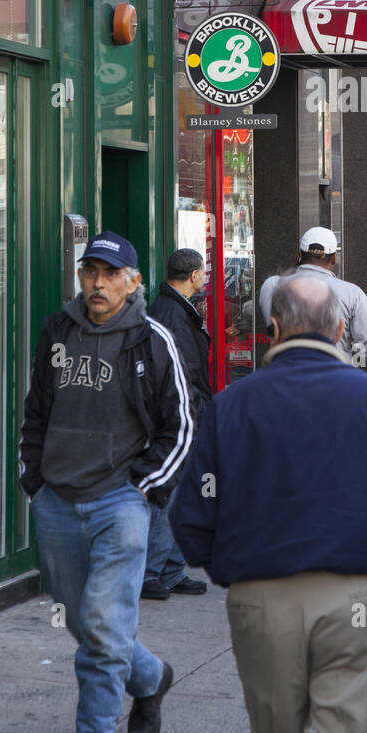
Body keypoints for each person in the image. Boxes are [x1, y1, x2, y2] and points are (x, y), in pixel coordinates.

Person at [169, 275, 367, 733]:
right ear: (340, 328)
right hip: (362, 592)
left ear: (273, 328)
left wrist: (234, 571)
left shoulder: (231, 405)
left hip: (263, 595)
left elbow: (192, 514)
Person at [18, 232, 194, 733]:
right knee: (86, 623)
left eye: (110, 274)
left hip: (121, 501)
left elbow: (180, 427)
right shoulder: (57, 332)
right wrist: (35, 484)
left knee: (101, 624)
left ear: (132, 281)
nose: (98, 283)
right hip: (57, 501)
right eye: (90, 272)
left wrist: (144, 487)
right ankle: (149, 678)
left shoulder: (151, 340)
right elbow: (36, 414)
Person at [142, 249, 213, 600]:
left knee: (181, 491)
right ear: (194, 276)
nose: (207, 276)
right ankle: (152, 572)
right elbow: (183, 373)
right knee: (168, 492)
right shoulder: (173, 312)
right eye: (204, 272)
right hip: (179, 416)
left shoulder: (177, 308)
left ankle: (170, 569)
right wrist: (195, 415)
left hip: (185, 412)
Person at [259, 227, 367, 368]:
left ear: (300, 254)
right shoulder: (352, 293)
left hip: (284, 375)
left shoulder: (272, 286)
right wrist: (350, 356)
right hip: (336, 376)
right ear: (334, 258)